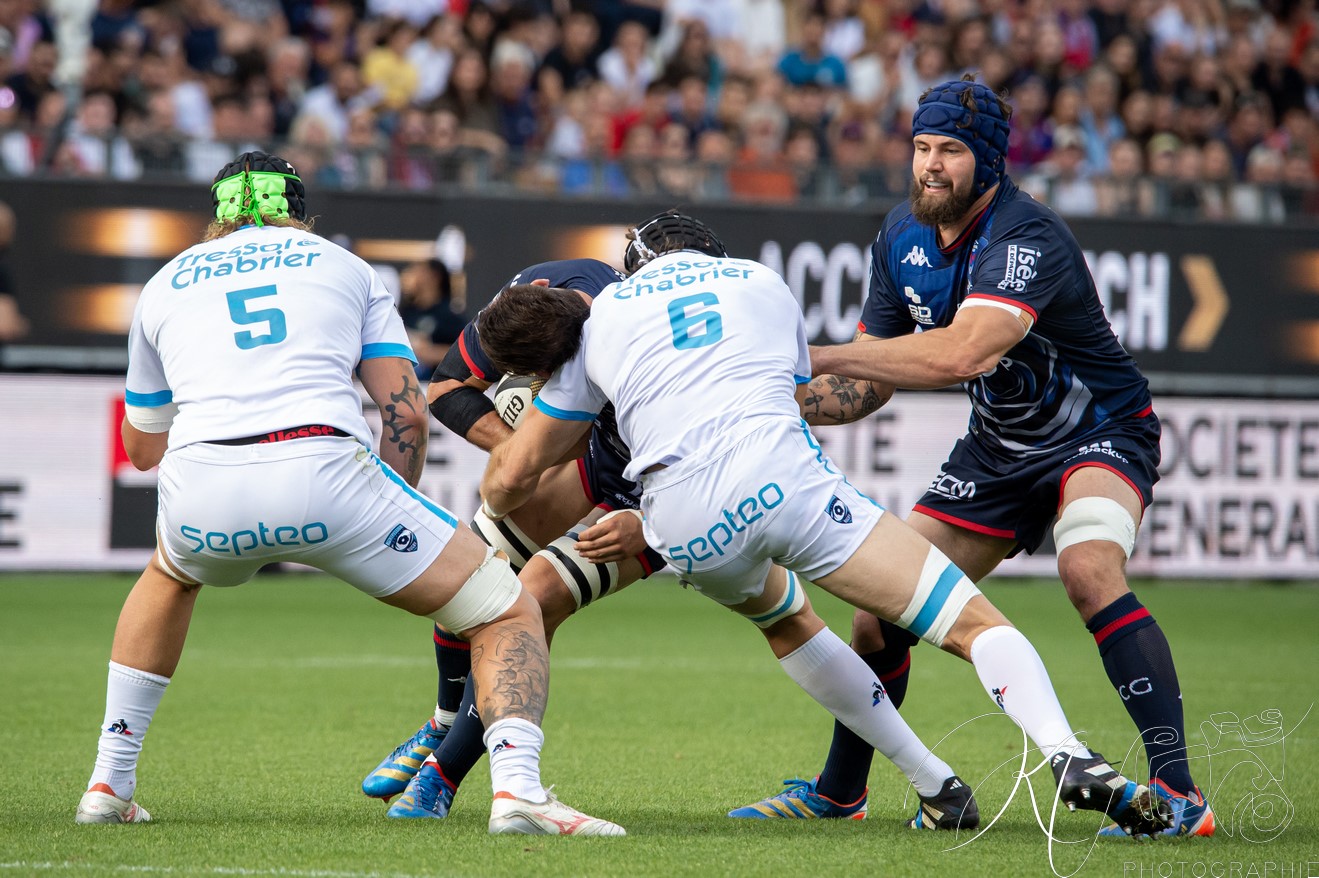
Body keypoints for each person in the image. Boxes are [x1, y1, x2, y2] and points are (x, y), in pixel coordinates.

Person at [474, 212, 1172, 837]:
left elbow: (509, 478)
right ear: (710, 255)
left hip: (684, 527)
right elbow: (815, 391)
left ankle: (936, 784)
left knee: (786, 623)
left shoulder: (603, 319)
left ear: (631, 268)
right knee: (970, 623)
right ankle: (1067, 754)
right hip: (785, 484)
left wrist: (502, 503)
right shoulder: (759, 282)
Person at [74, 151, 622, 838]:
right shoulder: (342, 266)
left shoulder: (164, 284)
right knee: (509, 610)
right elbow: (406, 412)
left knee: (168, 575)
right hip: (325, 474)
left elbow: (144, 449)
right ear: (299, 213)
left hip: (203, 485)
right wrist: (386, 515)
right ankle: (517, 794)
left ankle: (108, 781)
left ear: (214, 217)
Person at [742, 76, 1212, 839]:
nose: (931, 165)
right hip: (996, 449)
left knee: (1088, 570)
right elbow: (866, 385)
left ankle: (1180, 796)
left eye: (950, 151)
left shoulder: (1027, 237)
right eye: (921, 148)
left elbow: (959, 355)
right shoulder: (899, 234)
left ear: (987, 162)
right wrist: (772, 398)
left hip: (1099, 430)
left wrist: (806, 352)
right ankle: (838, 793)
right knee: (875, 617)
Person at [362, 256, 670, 821]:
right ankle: (444, 721)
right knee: (469, 577)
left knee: (527, 598)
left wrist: (651, 527)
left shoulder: (636, 348)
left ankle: (440, 777)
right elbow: (449, 385)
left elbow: (712, 470)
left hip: (662, 494)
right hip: (598, 459)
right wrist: (519, 446)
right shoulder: (523, 303)